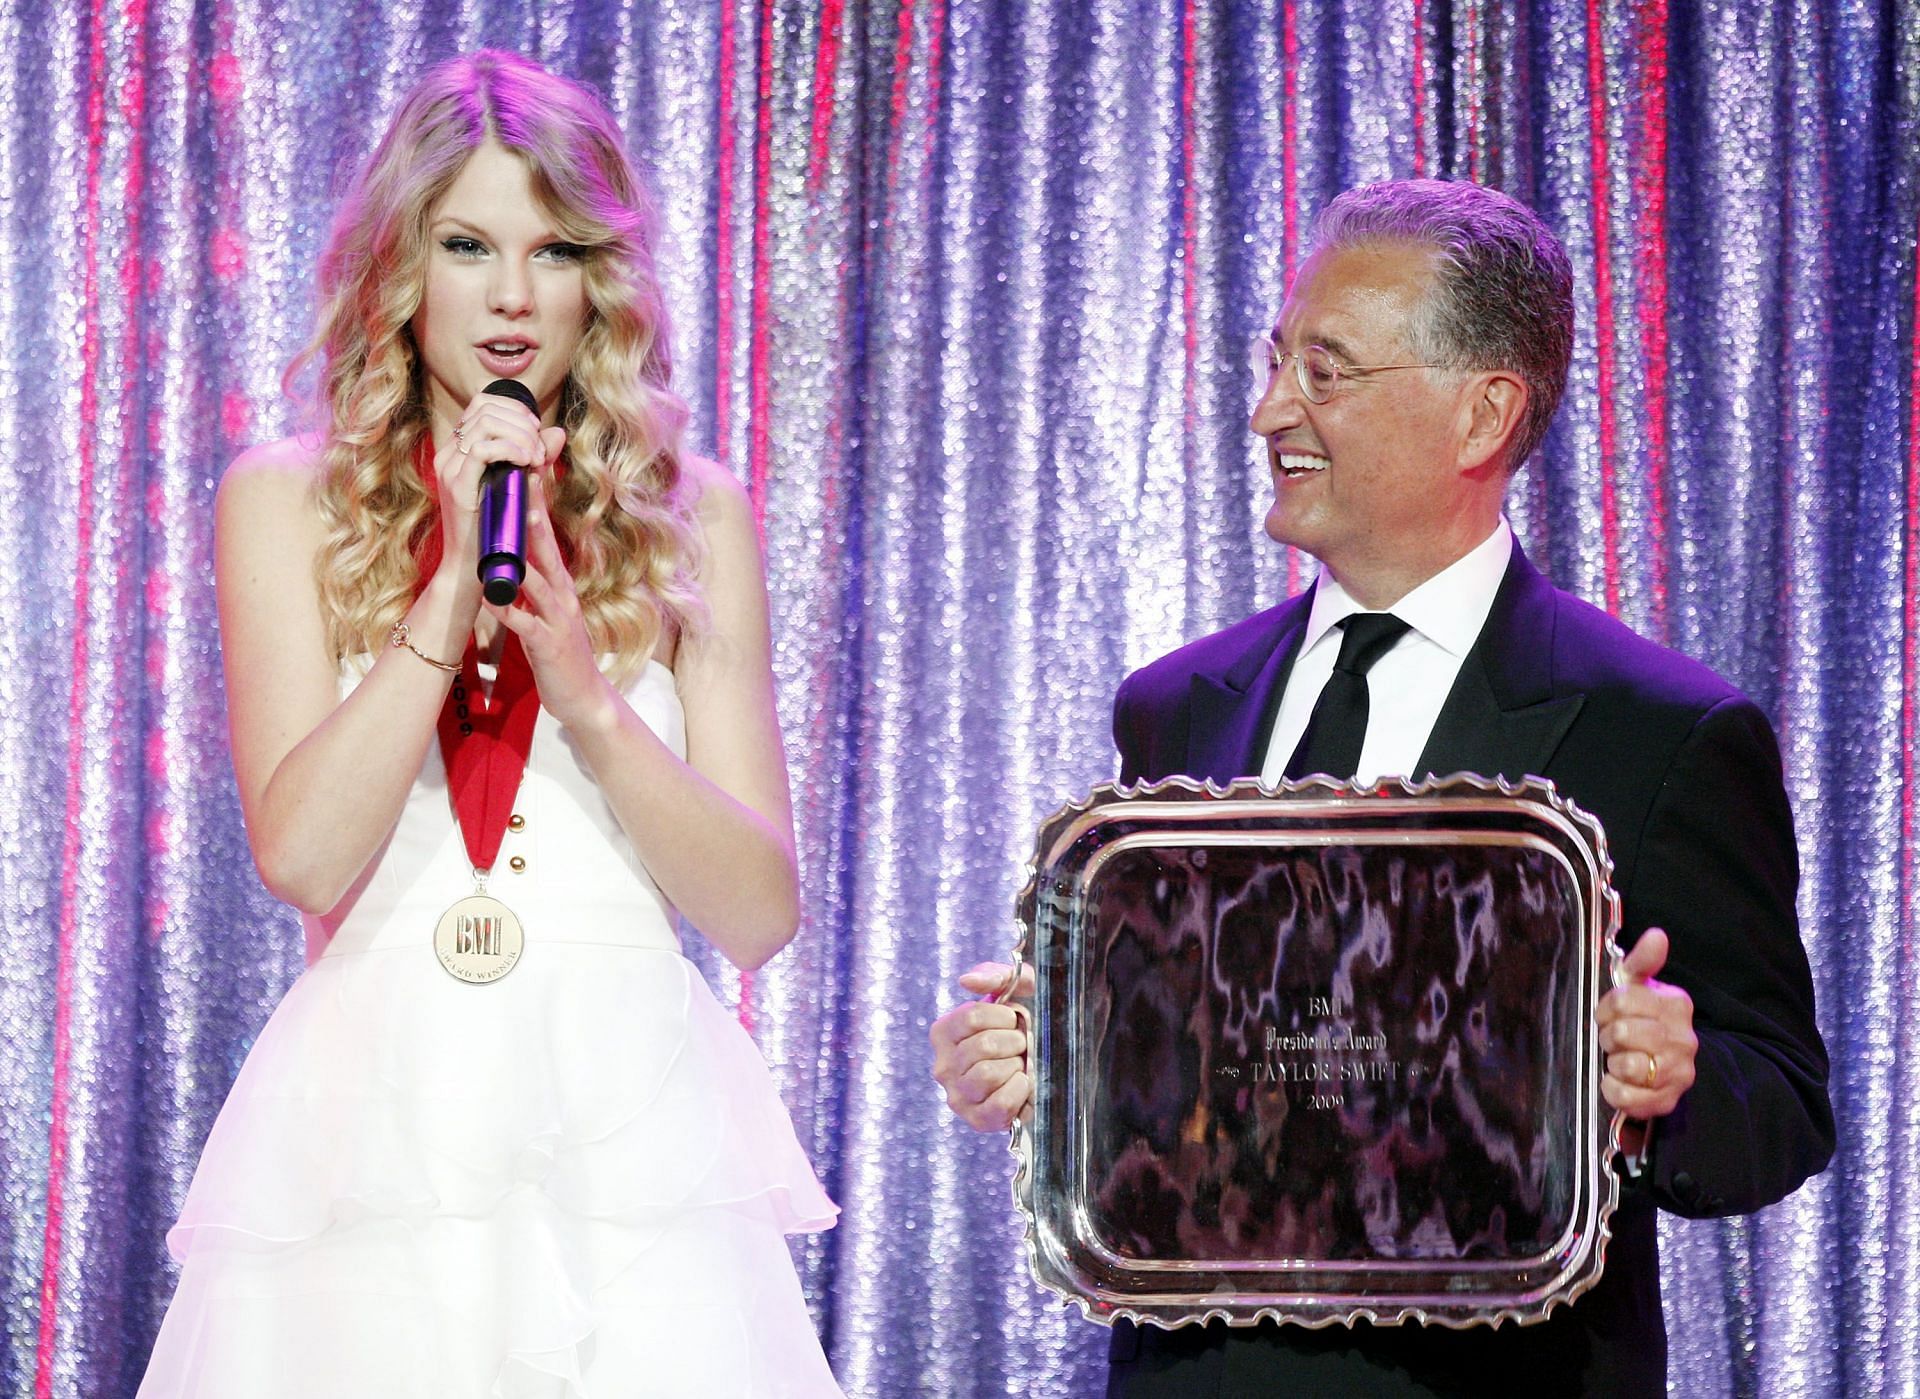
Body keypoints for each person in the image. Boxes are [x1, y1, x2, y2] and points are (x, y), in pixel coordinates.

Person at [930, 178, 1833, 1397]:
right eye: (1276, 361)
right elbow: (1177, 1074)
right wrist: (1039, 1055)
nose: (1269, 410)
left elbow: (1777, 1104)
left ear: (1483, 415)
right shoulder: (1177, 705)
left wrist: (1664, 1085)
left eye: (1326, 371)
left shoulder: (1662, 730)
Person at [140, 51, 842, 1397]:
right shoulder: (286, 499)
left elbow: (757, 909)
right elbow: (302, 856)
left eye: (556, 249)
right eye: (468, 246)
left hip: (631, 1140)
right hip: (372, 1137)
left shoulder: (693, 514)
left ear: (603, 280)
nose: (513, 298)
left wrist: (586, 692)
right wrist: (456, 571)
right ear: (404, 267)